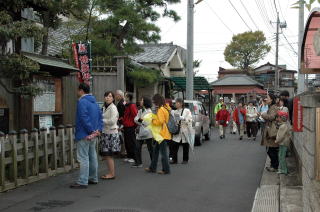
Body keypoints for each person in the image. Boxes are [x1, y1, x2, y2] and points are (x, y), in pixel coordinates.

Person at [70, 83, 103, 189]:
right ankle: (93, 178)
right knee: (92, 156)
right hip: (94, 134)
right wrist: (97, 130)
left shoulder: (82, 102)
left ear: (81, 91)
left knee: (83, 157)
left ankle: (83, 181)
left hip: (84, 133)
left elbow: (83, 117)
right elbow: (100, 117)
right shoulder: (95, 102)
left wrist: (90, 131)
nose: (77, 92)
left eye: (77, 90)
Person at [145, 94, 171, 174]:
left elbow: (160, 121)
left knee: (163, 153)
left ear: (157, 101)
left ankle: (165, 170)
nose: (153, 103)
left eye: (154, 101)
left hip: (161, 134)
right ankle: (152, 167)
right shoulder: (166, 108)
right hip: (162, 133)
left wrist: (153, 120)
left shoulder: (160, 109)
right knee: (156, 152)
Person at [100, 91, 120, 180]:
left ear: (113, 98)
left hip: (111, 133)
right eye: (106, 96)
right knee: (107, 155)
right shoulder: (104, 107)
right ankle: (110, 172)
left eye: (110, 96)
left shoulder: (113, 108)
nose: (107, 98)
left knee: (109, 155)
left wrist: (102, 120)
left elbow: (112, 121)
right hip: (106, 132)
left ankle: (112, 174)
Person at [260, 92, 279, 172]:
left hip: (272, 131)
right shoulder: (271, 106)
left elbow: (271, 117)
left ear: (271, 99)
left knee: (271, 150)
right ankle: (273, 165)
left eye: (267, 98)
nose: (266, 99)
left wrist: (263, 114)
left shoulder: (273, 107)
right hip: (270, 130)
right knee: (270, 149)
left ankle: (274, 166)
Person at [132, 96, 154, 168]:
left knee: (150, 148)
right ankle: (138, 162)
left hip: (148, 132)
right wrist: (141, 121)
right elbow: (135, 119)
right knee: (137, 147)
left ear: (145, 102)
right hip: (141, 131)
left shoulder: (149, 111)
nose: (140, 101)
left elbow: (147, 122)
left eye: (142, 100)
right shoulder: (140, 110)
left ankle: (153, 163)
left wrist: (140, 120)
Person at [171, 98, 193, 164]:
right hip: (177, 130)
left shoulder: (186, 110)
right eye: (175, 103)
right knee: (174, 145)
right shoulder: (174, 111)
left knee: (185, 145)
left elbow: (190, 120)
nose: (176, 104)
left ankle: (185, 160)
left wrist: (183, 118)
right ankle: (174, 160)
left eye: (177, 103)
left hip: (185, 130)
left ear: (181, 103)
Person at [123, 93, 138, 163]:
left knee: (131, 142)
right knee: (127, 142)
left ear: (128, 98)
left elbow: (135, 116)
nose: (124, 97)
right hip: (126, 126)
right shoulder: (127, 105)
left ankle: (133, 157)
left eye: (125, 96)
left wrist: (134, 126)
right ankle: (129, 156)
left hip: (130, 126)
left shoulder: (132, 105)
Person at [275, 111, 292, 175]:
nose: (277, 119)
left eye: (278, 117)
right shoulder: (284, 125)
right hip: (283, 143)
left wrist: (276, 141)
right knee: (281, 156)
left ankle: (284, 170)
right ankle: (282, 169)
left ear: (282, 118)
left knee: (281, 156)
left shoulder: (283, 126)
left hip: (283, 143)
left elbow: (281, 136)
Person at [115, 90, 126, 158]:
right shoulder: (123, 102)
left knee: (121, 138)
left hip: (121, 123)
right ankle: (123, 152)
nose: (115, 96)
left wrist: (120, 122)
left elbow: (122, 114)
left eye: (116, 95)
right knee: (122, 138)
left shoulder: (120, 104)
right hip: (123, 123)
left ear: (120, 96)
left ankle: (122, 152)